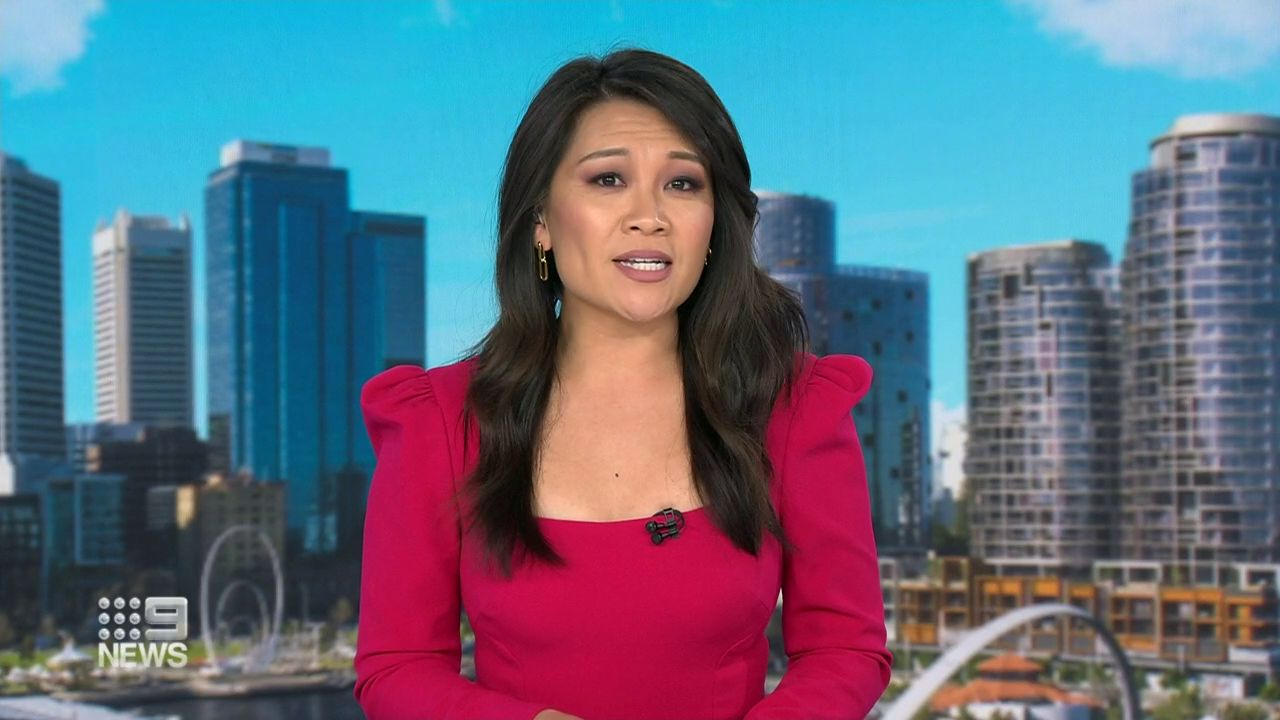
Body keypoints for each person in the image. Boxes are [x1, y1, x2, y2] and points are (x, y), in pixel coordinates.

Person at [353, 48, 892, 720]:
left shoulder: (794, 408)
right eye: (608, 179)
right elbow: (397, 667)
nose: (649, 216)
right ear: (542, 222)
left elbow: (845, 650)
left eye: (683, 184)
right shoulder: (439, 420)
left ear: (714, 226)